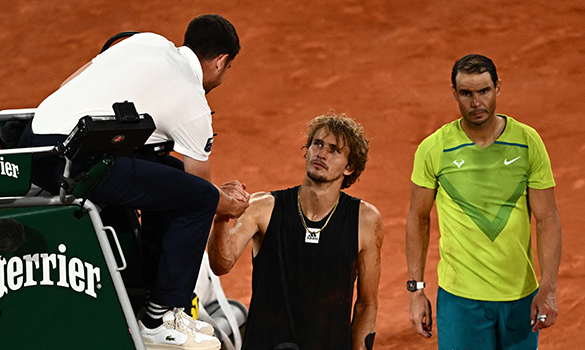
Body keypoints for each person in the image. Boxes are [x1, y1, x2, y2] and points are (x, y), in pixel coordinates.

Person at [19, 14, 250, 350]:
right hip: (74, 163)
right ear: (221, 61)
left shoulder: (148, 41)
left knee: (168, 177)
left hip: (35, 142)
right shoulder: (193, 101)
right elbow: (204, 193)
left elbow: (74, 79)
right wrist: (232, 200)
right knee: (198, 197)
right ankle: (160, 319)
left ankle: (153, 298)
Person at [405, 54, 562, 350]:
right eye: (466, 93)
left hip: (519, 297)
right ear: (454, 93)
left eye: (484, 91)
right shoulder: (434, 149)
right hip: (460, 300)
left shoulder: (528, 143)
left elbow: (547, 218)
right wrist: (416, 290)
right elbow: (418, 218)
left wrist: (549, 288)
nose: (476, 102)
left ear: (497, 88)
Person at [208, 113, 384, 350]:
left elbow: (366, 304)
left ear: (350, 167)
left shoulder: (365, 220)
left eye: (334, 150)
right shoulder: (263, 207)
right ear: (307, 149)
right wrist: (221, 217)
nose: (321, 153)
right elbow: (222, 264)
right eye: (317, 144)